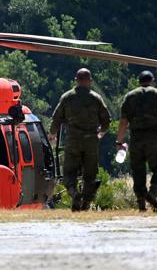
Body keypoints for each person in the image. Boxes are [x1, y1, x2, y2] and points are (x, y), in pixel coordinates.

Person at [116, 70, 157, 213]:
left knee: (138, 172)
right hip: (154, 139)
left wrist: (119, 142)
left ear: (139, 81)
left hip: (136, 140)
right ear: (152, 80)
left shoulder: (129, 97)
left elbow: (123, 122)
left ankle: (141, 205)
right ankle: (152, 193)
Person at [49, 68, 111, 211]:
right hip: (91, 142)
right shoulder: (96, 98)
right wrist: (100, 133)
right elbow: (106, 120)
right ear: (90, 81)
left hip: (73, 142)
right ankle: (85, 204)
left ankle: (74, 193)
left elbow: (56, 118)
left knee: (69, 175)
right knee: (90, 176)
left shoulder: (67, 97)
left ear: (76, 80)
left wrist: (52, 133)